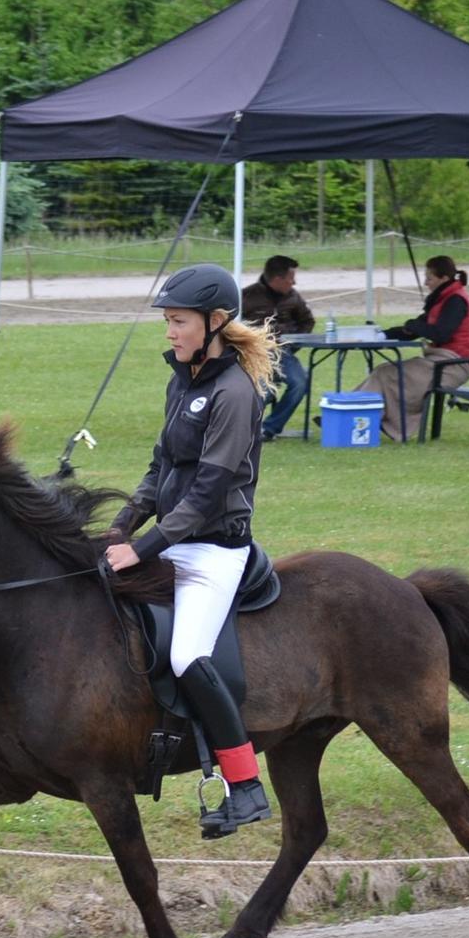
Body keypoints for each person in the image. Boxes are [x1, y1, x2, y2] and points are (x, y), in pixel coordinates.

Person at [105, 263, 281, 839]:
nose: (169, 332)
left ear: (215, 321)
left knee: (187, 657)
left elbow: (207, 492)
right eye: (167, 321)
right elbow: (162, 466)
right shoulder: (183, 379)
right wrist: (124, 525)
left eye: (177, 321)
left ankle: (246, 785)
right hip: (176, 543)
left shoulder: (234, 394)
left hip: (213, 553)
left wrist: (146, 546)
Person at [357, 255, 469, 442]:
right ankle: (360, 415)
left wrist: (414, 326)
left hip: (452, 365)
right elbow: (414, 329)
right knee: (383, 371)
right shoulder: (442, 299)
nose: (425, 283)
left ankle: (357, 417)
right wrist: (382, 335)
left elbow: (441, 333)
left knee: (385, 373)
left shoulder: (455, 301)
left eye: (429, 278)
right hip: (440, 361)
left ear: (444, 279)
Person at [241, 254, 315, 441]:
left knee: (300, 383)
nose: (294, 283)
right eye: (291, 279)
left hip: (284, 353)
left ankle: (269, 429)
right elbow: (230, 325)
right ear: (277, 279)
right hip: (254, 353)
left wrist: (294, 342)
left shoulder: (294, 297)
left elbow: (307, 321)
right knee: (263, 391)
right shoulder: (246, 296)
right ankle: (242, 429)